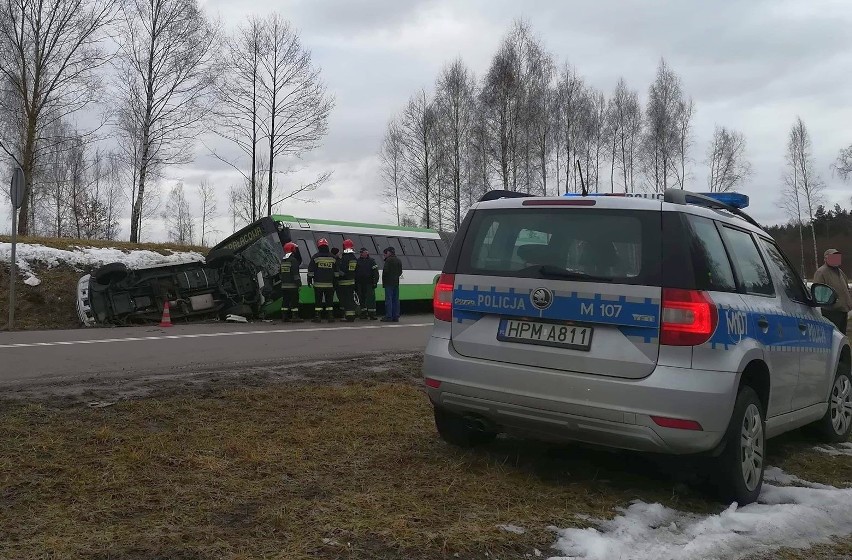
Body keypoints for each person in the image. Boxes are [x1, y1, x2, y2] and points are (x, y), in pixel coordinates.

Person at [814, 248, 852, 333]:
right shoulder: (821, 272)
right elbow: (819, 292)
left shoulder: (840, 272)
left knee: (842, 336)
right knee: (834, 335)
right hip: (831, 311)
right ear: (826, 259)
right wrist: (833, 302)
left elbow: (846, 288)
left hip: (843, 310)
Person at [307, 238, 339, 323]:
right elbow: (336, 272)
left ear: (319, 246)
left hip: (318, 284)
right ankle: (330, 316)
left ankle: (318, 317)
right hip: (329, 285)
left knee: (318, 301)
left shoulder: (315, 257)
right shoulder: (333, 257)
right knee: (329, 301)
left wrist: (309, 280)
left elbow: (311, 270)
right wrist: (336, 282)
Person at [279, 242, 303, 323]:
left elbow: (280, 274)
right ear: (292, 249)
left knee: (285, 301)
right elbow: (295, 274)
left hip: (284, 286)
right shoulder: (293, 260)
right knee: (294, 301)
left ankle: (284, 317)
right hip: (292, 286)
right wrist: (299, 284)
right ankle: (295, 317)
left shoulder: (283, 261)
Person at [337, 239, 359, 322]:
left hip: (344, 282)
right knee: (350, 299)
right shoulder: (354, 258)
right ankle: (351, 315)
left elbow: (342, 271)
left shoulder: (345, 258)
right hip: (351, 281)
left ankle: (349, 317)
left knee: (346, 300)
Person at [355, 247, 379, 320]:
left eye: (363, 252)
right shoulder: (358, 261)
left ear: (367, 253)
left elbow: (376, 273)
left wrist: (375, 282)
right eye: (361, 252)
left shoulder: (372, 261)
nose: (361, 254)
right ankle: (363, 313)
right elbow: (355, 272)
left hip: (369, 283)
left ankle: (372, 314)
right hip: (360, 283)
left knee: (370, 299)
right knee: (361, 299)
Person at [381, 246, 403, 322]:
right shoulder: (398, 260)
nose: (385, 255)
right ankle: (396, 316)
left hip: (388, 283)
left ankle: (389, 316)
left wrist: (384, 280)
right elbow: (400, 272)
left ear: (389, 252)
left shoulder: (388, 260)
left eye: (385, 253)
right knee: (396, 300)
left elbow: (385, 272)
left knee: (389, 300)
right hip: (396, 282)